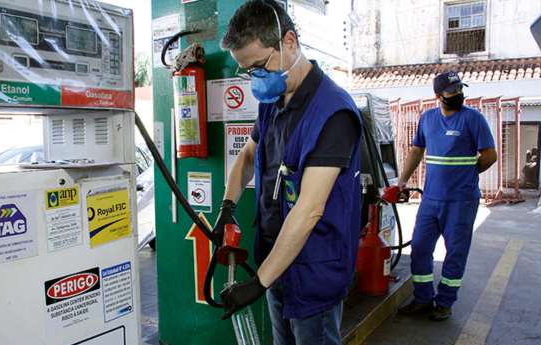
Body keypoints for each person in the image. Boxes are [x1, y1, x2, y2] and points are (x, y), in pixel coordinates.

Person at [213, 1, 362, 343]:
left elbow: (309, 210)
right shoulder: (273, 103)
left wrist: (257, 283)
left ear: (289, 42)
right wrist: (227, 205)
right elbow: (249, 154)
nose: (256, 77)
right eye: (247, 71)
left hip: (313, 274)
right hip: (275, 262)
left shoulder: (334, 113)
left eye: (260, 65)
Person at [397, 71, 497, 321]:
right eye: (453, 91)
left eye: (460, 90)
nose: (459, 95)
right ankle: (422, 298)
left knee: (455, 252)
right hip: (430, 199)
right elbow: (417, 150)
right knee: (420, 248)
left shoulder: (473, 119)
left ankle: (445, 302)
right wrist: (402, 180)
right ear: (439, 95)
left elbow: (490, 155)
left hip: (461, 200)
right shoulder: (428, 118)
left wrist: (466, 174)